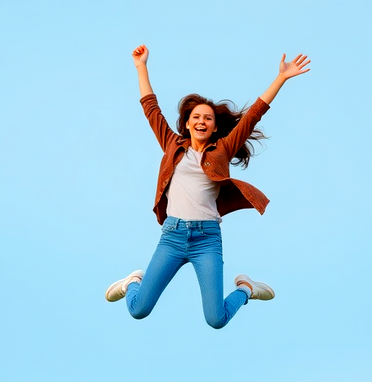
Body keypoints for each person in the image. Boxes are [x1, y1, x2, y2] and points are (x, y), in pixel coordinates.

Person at [105, 44, 310, 329]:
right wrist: (141, 67)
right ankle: (132, 284)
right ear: (187, 124)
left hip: (207, 240)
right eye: (196, 117)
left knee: (216, 319)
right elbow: (150, 108)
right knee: (138, 310)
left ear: (214, 128)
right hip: (173, 237)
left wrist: (281, 78)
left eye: (208, 118)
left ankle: (246, 289)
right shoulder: (172, 145)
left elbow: (252, 116)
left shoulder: (222, 150)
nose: (202, 121)